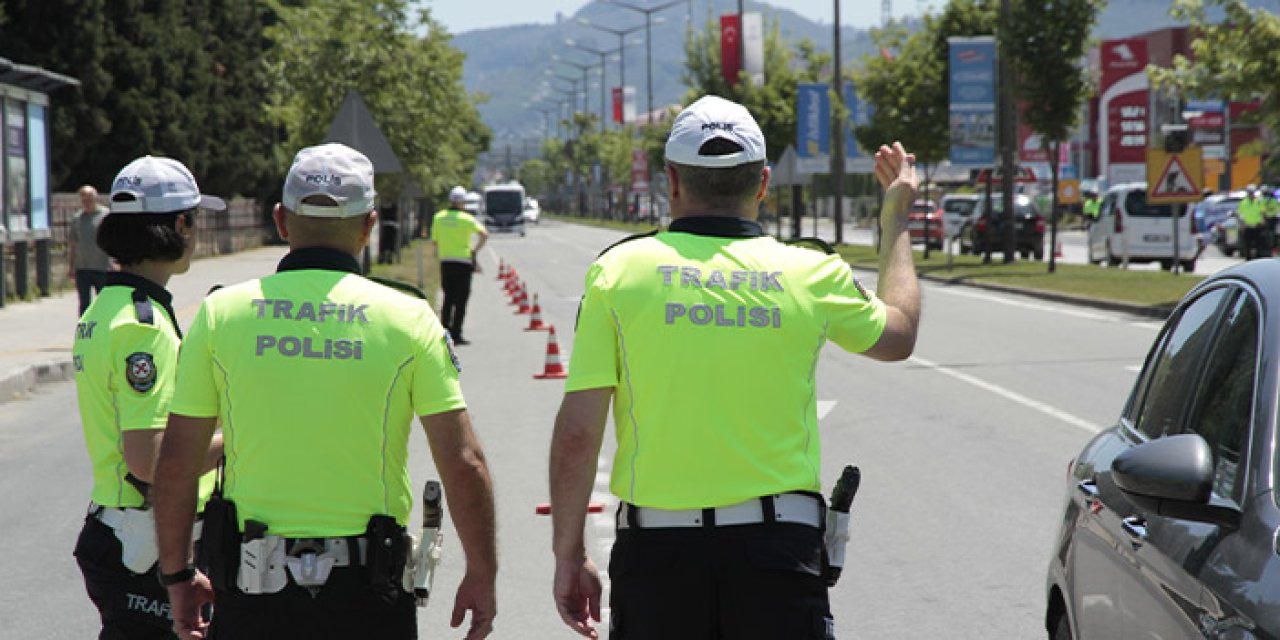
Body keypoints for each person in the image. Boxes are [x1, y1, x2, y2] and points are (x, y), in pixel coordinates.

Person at [547, 95, 921, 639]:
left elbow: (579, 433)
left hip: (658, 558)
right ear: (763, 183)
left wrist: (568, 553)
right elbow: (899, 334)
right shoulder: (810, 271)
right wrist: (896, 219)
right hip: (778, 553)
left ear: (672, 180)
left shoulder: (618, 273)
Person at [150, 143, 497, 640]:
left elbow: (177, 463)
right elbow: (463, 461)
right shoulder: (408, 317)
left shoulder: (222, 314)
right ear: (369, 226)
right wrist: (482, 572)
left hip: (254, 593)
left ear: (281, 221)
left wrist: (177, 575)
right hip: (368, 596)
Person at [72, 156, 226, 639]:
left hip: (119, 531)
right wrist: (239, 436)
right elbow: (150, 461)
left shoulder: (105, 308)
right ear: (181, 226)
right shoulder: (145, 327)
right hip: (144, 545)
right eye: (195, 219)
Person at [430, 186, 489, 345]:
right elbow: (484, 235)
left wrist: (442, 251)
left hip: (446, 261)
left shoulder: (439, 217)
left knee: (448, 298)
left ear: (450, 200)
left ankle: (444, 332)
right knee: (461, 300)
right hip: (463, 262)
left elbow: (434, 242)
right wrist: (474, 250)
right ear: (463, 202)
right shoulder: (467, 219)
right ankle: (457, 334)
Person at [68, 185, 114, 314]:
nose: (87, 202)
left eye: (90, 199)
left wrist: (116, 261)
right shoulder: (77, 219)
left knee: (104, 302)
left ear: (96, 198)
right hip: (82, 268)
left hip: (103, 267)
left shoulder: (106, 216)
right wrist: (71, 267)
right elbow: (73, 244)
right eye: (84, 200)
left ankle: (104, 324)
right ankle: (85, 325)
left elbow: (114, 241)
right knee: (84, 304)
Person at [1238, 184, 1266, 259]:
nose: (1251, 194)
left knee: (1258, 244)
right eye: (1250, 192)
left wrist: (1263, 220)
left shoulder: (1258, 202)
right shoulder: (1243, 203)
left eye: (1252, 192)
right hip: (1248, 226)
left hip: (1257, 226)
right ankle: (1248, 259)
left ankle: (1258, 258)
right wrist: (1242, 225)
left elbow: (1262, 212)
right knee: (1248, 244)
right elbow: (1240, 214)